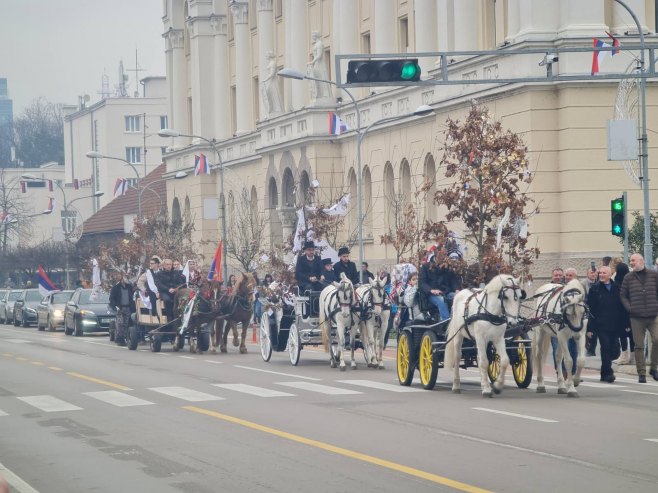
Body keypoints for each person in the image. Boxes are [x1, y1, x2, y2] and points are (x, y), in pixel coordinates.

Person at [619, 253, 658, 383]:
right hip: (636, 317)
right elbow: (623, 295)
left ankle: (654, 368)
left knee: (657, 339)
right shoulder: (628, 277)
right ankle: (641, 373)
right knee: (639, 345)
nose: (631, 263)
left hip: (653, 315)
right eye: (630, 261)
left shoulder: (653, 274)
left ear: (641, 261)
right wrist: (630, 308)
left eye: (633, 260)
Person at [587, 266, 627, 383]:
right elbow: (591, 310)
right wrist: (590, 328)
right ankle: (607, 373)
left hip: (615, 324)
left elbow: (622, 308)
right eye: (600, 273)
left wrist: (626, 324)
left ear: (610, 275)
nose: (601, 275)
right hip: (601, 325)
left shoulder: (617, 288)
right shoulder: (594, 289)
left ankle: (605, 370)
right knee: (605, 347)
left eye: (604, 273)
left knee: (615, 351)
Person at [419, 249, 458, 322]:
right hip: (431, 295)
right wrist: (431, 290)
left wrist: (456, 289)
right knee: (441, 300)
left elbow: (453, 279)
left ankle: (458, 320)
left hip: (446, 292)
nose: (445, 258)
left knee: (458, 297)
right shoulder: (426, 267)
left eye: (445, 255)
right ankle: (446, 322)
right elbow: (422, 283)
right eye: (443, 256)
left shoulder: (446, 266)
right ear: (436, 256)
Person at [613, 262, 635, 365]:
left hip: (619, 312)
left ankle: (624, 356)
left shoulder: (616, 282)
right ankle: (633, 356)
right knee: (632, 334)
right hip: (632, 311)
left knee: (622, 334)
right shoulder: (631, 281)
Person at [109, 271, 135, 347]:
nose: (125, 280)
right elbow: (111, 298)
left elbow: (132, 295)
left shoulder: (129, 287)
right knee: (120, 323)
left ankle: (124, 337)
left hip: (128, 308)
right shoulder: (116, 288)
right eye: (124, 278)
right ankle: (119, 339)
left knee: (126, 324)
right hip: (120, 308)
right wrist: (115, 306)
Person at [307, 30, 331, 99]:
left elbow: (319, 55)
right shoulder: (316, 44)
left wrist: (312, 62)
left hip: (319, 64)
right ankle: (320, 94)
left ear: (316, 36)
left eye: (313, 35)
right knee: (317, 79)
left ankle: (325, 94)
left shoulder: (319, 44)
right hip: (316, 64)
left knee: (321, 78)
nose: (312, 37)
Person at [261, 50, 283, 114]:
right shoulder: (271, 63)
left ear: (269, 55)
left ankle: (277, 109)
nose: (266, 56)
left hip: (273, 81)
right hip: (270, 81)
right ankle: (273, 109)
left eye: (267, 55)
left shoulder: (273, 63)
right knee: (269, 93)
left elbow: (272, 73)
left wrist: (265, 80)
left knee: (274, 94)